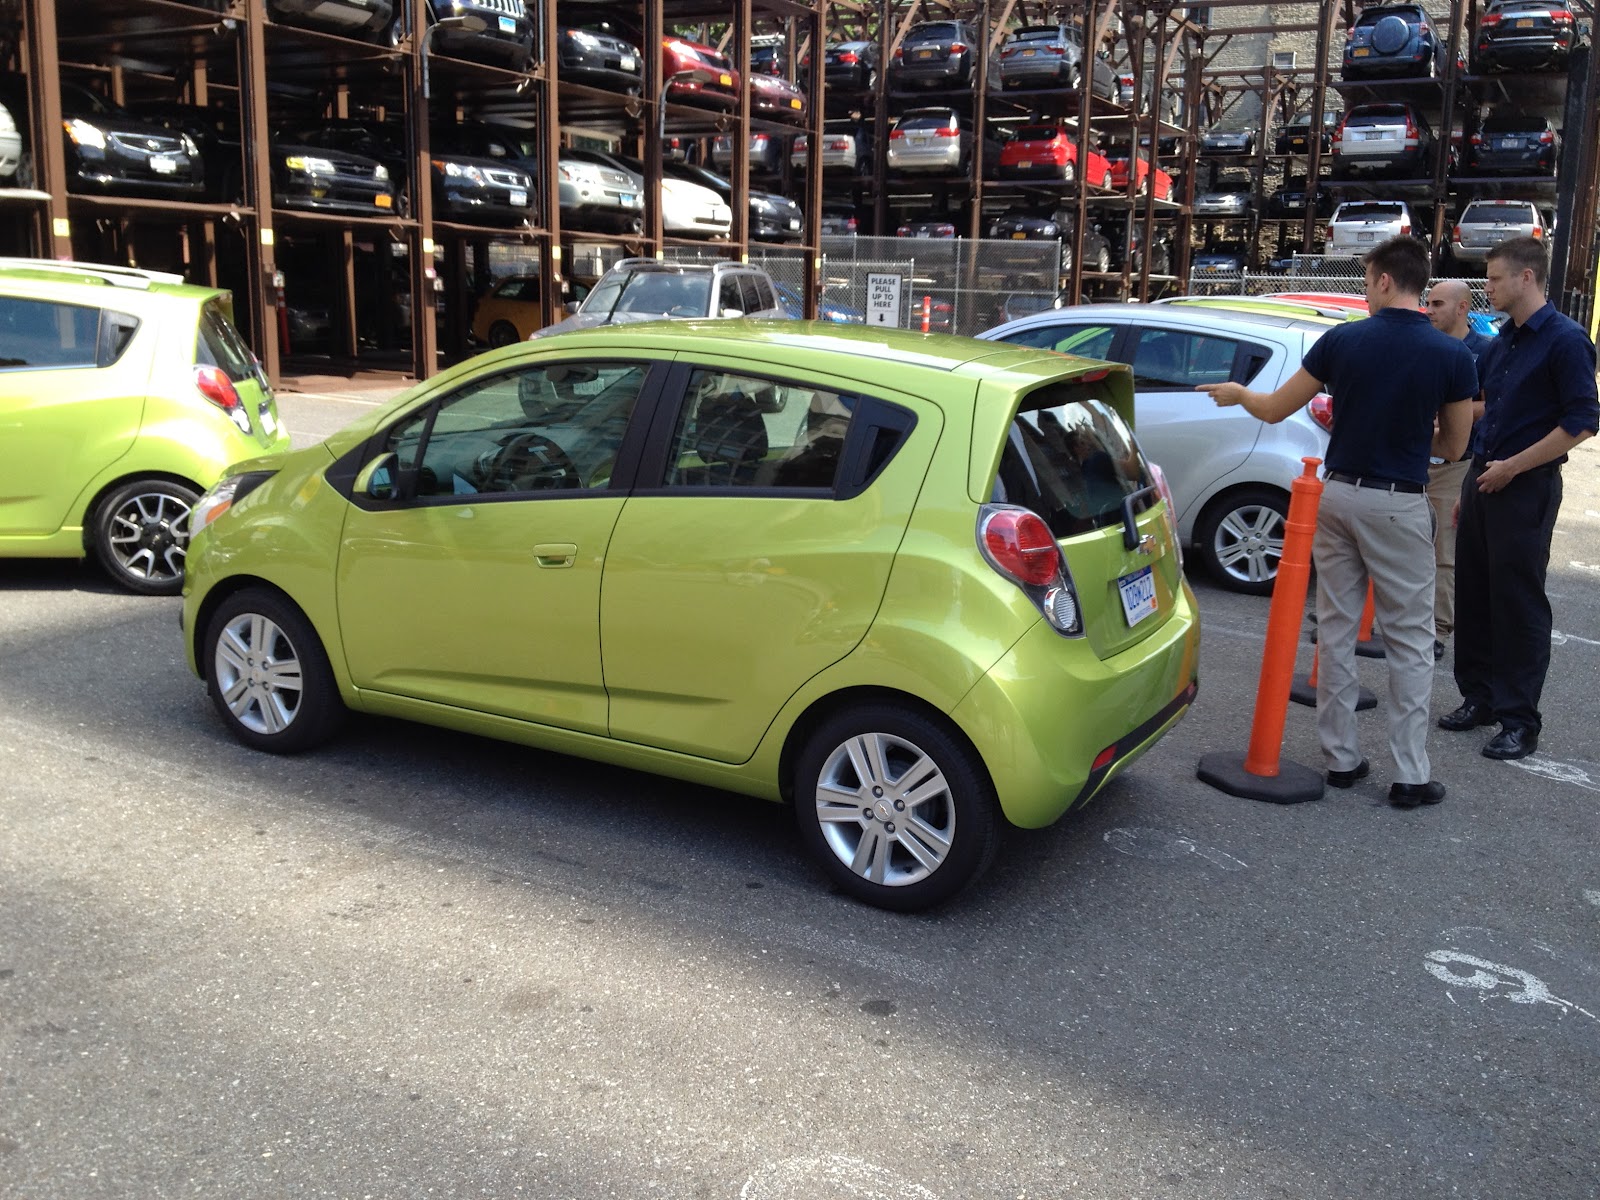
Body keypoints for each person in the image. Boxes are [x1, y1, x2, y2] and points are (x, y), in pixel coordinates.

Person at [1203, 237, 1476, 808]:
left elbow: (1275, 407)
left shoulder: (1342, 340)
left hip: (1337, 494)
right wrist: (1414, 434)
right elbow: (1455, 447)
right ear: (1420, 285)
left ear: (1383, 280)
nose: (1366, 292)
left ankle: (1342, 759)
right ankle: (1409, 773)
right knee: (1410, 639)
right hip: (1399, 501)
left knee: (1335, 627)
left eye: (1367, 281)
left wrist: (1239, 394)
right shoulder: (1452, 356)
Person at [1439, 236, 1599, 760]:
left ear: (1525, 277)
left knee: (1518, 603)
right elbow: (1493, 412)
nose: (1487, 288)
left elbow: (1582, 422)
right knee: (1476, 595)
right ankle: (1479, 698)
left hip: (1525, 486)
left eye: (1494, 278)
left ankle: (1519, 721)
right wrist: (1473, 480)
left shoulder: (1566, 340)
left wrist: (1513, 467)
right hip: (1485, 478)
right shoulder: (1503, 339)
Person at [1423, 279, 1494, 661]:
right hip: (1416, 456)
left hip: (1457, 460)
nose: (1429, 310)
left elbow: (1494, 403)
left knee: (1444, 551)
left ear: (1462, 307)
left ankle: (1438, 629)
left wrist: (1452, 414)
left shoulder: (1484, 350)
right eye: (1428, 303)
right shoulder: (1426, 344)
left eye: (1437, 304)